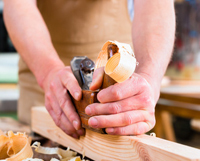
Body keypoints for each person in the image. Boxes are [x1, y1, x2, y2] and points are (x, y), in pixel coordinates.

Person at [3, 0, 175, 139]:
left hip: (121, 93)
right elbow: (17, 4)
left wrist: (148, 77)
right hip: (44, 82)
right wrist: (48, 73)